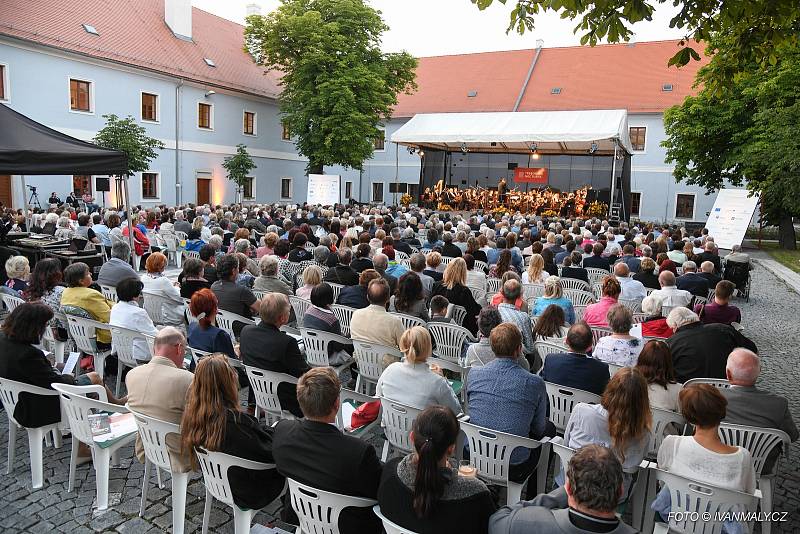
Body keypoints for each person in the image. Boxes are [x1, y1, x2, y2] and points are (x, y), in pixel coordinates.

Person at [273, 368, 383, 534]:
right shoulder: (358, 452)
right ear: (337, 404)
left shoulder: (282, 431)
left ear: (300, 400)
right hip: (348, 525)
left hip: (301, 513)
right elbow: (378, 491)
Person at [181, 354, 285, 511]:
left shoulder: (192, 415)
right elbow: (270, 453)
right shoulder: (236, 423)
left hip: (218, 481)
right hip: (249, 490)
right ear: (228, 383)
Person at [0, 303, 123, 430]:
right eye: (45, 325)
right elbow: (54, 383)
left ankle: (94, 427)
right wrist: (68, 377)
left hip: (18, 400)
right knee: (93, 381)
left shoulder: (4, 339)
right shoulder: (28, 354)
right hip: (39, 406)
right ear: (34, 327)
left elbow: (35, 372)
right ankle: (100, 429)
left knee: (87, 380)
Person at [377, 406, 497, 534]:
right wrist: (469, 483)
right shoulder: (475, 494)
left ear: (412, 437)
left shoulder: (390, 474)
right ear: (451, 449)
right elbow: (492, 524)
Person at [652, 384, 756, 528]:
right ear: (721, 413)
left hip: (675, 519)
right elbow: (748, 494)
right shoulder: (742, 457)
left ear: (690, 419)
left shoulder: (672, 444)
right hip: (721, 529)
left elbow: (664, 481)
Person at [467, 323, 555, 486]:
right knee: (549, 428)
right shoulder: (534, 382)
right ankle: (534, 494)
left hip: (475, 452)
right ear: (518, 349)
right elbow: (538, 429)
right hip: (513, 464)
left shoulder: (474, 374)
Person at [489, 444, 638, 534]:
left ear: (568, 488)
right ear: (620, 491)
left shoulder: (525, 522)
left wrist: (556, 496)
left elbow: (497, 520)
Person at [562, 367, 651, 496]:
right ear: (642, 401)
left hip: (574, 482)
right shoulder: (643, 434)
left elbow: (566, 444)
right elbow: (633, 466)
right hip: (612, 494)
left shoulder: (581, 411)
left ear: (610, 388)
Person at [126, 327, 194, 472]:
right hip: (179, 454)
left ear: (154, 347)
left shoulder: (131, 375)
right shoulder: (187, 379)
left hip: (147, 447)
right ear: (179, 348)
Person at [721, 349, 798, 470]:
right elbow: (792, 436)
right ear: (759, 372)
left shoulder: (712, 399)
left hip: (719, 458)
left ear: (728, 374)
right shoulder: (779, 404)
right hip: (761, 466)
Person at [240, 293, 309, 418]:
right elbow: (303, 373)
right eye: (289, 310)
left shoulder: (246, 332)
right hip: (285, 399)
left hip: (258, 392)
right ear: (282, 318)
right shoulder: (286, 342)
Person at [376, 326, 462, 414]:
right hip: (424, 427)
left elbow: (378, 395)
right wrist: (443, 379)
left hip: (391, 426)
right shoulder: (437, 382)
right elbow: (456, 411)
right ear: (428, 348)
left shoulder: (390, 369)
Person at [666, 307, 757, 383]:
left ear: (675, 326)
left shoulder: (671, 343)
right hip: (727, 389)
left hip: (689, 394)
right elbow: (753, 350)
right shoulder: (723, 330)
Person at [541, 322, 609, 396]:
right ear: (590, 346)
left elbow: (541, 384)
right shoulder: (601, 369)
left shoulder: (551, 360)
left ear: (566, 341)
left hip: (553, 406)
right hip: (586, 406)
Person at [60, 262, 114, 347]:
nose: (91, 274)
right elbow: (109, 317)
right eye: (88, 273)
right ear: (81, 281)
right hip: (99, 337)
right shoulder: (90, 295)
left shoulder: (66, 292)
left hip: (79, 336)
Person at [302, 283, 352, 365]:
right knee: (353, 344)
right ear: (330, 297)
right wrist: (348, 336)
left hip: (310, 353)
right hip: (327, 357)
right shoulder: (332, 320)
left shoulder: (308, 311)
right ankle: (355, 376)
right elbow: (338, 347)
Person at [109, 277, 158, 361]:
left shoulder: (115, 307)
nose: (141, 295)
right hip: (140, 354)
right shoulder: (138, 313)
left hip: (121, 350)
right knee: (168, 336)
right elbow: (154, 335)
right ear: (134, 295)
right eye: (139, 293)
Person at [466, 307, 530, 370]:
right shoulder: (510, 347)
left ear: (480, 327)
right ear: (500, 325)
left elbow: (467, 370)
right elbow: (526, 367)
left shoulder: (472, 350)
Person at [431, 257, 481, 335]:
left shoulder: (437, 285)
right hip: (458, 332)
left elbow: (430, 305)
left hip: (437, 330)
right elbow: (473, 312)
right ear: (463, 273)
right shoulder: (463, 291)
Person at [350, 278, 405, 348]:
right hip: (387, 359)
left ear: (367, 297)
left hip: (359, 357)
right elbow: (404, 347)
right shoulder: (395, 322)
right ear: (388, 299)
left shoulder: (356, 314)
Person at [210, 254, 260, 329]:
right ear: (233, 271)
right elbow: (261, 308)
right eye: (237, 268)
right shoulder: (241, 290)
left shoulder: (214, 286)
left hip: (222, 327)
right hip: (242, 330)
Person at [187, 288, 237, 361]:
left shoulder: (192, 327)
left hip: (197, 369)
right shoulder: (219, 335)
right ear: (215, 309)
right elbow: (231, 364)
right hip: (216, 371)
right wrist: (237, 353)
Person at [24, 257, 68, 338]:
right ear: (56, 273)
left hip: (42, 328)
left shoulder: (30, 288)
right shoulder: (62, 291)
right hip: (60, 332)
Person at [140, 252, 185, 327]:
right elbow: (180, 299)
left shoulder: (143, 278)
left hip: (150, 314)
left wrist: (171, 286)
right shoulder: (163, 281)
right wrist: (177, 287)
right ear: (161, 267)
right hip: (168, 316)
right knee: (189, 308)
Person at [635, 340, 681, 411]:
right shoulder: (678, 390)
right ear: (668, 362)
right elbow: (680, 419)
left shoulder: (630, 384)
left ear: (642, 358)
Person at [497, 279, 536, 357]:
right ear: (519, 296)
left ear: (502, 293)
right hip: (517, 358)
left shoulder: (492, 313)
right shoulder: (523, 317)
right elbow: (530, 349)